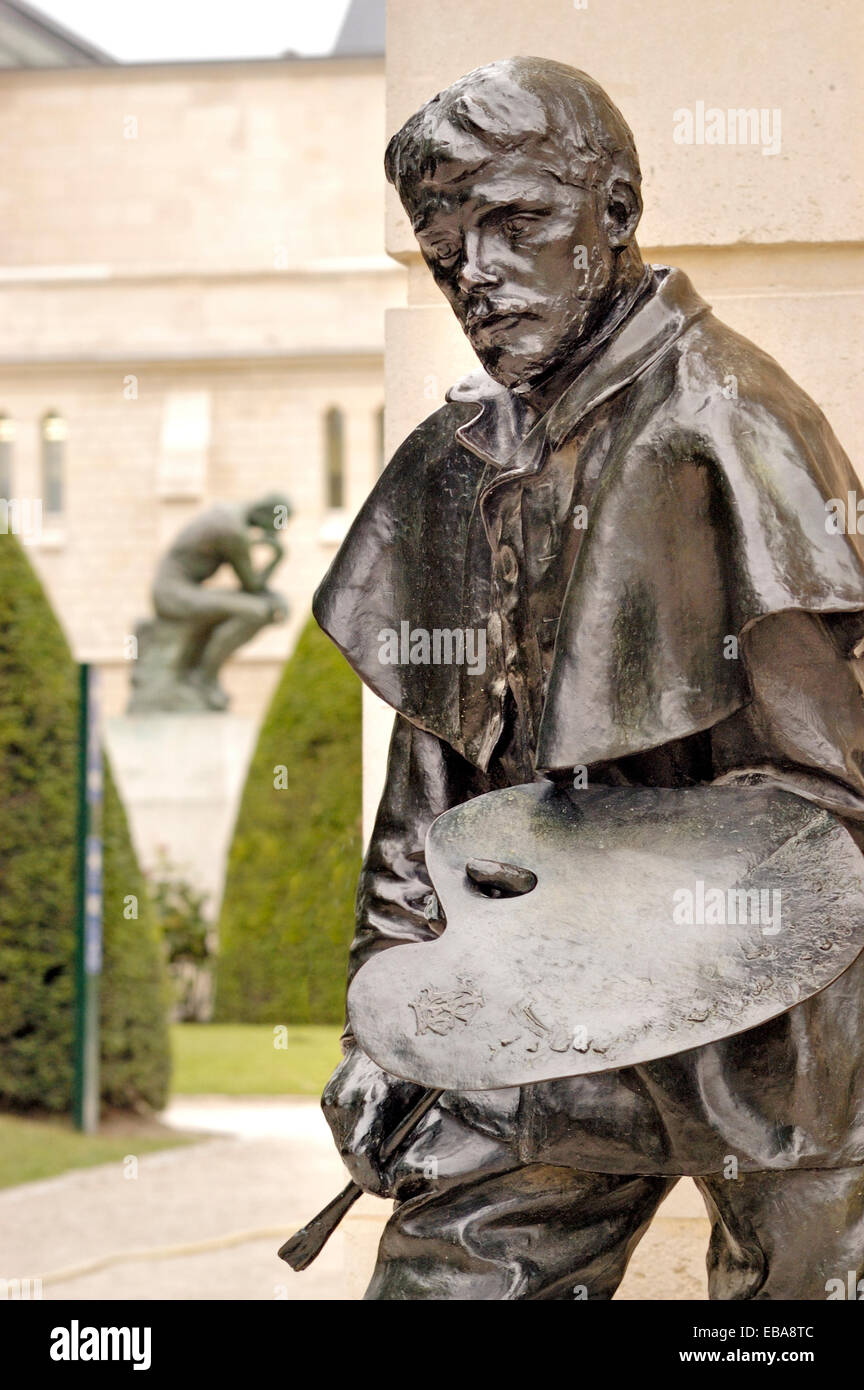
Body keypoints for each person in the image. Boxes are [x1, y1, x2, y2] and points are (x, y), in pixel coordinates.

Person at [313, 58, 864, 1299]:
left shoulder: (734, 425)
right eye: (444, 246)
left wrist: (622, 918)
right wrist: (390, 1011)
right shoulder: (454, 460)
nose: (477, 275)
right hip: (542, 1029)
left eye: (517, 225)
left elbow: (828, 799)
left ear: (613, 215)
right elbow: (429, 779)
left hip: (776, 1032)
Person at [152, 494, 290, 710]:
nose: (276, 531)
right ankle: (204, 677)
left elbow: (250, 588)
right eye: (278, 523)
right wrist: (277, 557)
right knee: (257, 613)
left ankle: (201, 675)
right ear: (268, 514)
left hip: (182, 590)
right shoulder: (233, 530)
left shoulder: (228, 514)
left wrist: (274, 597)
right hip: (173, 594)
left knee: (256, 607)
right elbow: (252, 586)